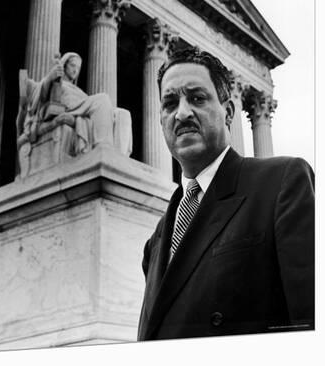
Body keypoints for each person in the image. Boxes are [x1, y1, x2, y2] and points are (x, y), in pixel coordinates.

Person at [137, 45, 314, 340]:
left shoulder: (281, 183)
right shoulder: (156, 240)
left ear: (228, 111)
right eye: (169, 103)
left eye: (196, 98)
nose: (181, 114)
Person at [17, 52, 114, 154]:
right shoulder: (55, 82)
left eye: (78, 67)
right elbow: (40, 98)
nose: (75, 70)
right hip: (69, 108)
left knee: (122, 114)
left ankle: (116, 157)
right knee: (103, 99)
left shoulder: (79, 91)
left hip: (82, 108)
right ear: (64, 65)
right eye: (72, 65)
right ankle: (102, 149)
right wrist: (50, 77)